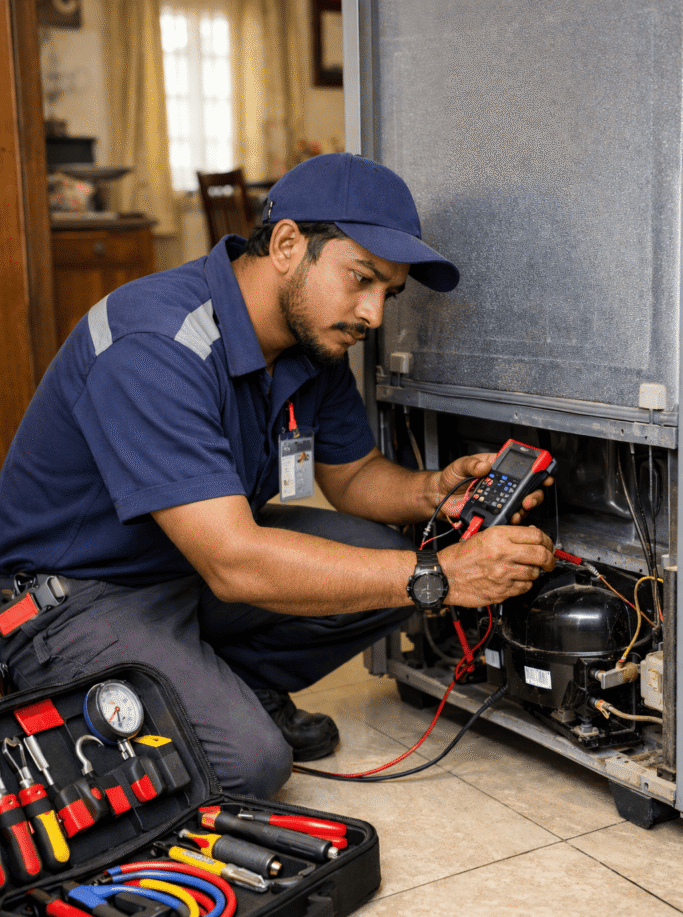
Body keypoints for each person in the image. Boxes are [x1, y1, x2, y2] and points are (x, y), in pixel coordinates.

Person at [0, 153, 555, 799]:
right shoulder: (154, 343)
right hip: (74, 597)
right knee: (250, 765)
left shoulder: (310, 345)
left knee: (381, 553)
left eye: (388, 293)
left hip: (183, 567)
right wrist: (442, 576)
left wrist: (433, 492)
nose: (373, 314)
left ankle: (231, 687)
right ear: (288, 244)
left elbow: (353, 478)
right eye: (361, 279)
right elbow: (236, 563)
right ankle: (70, 703)